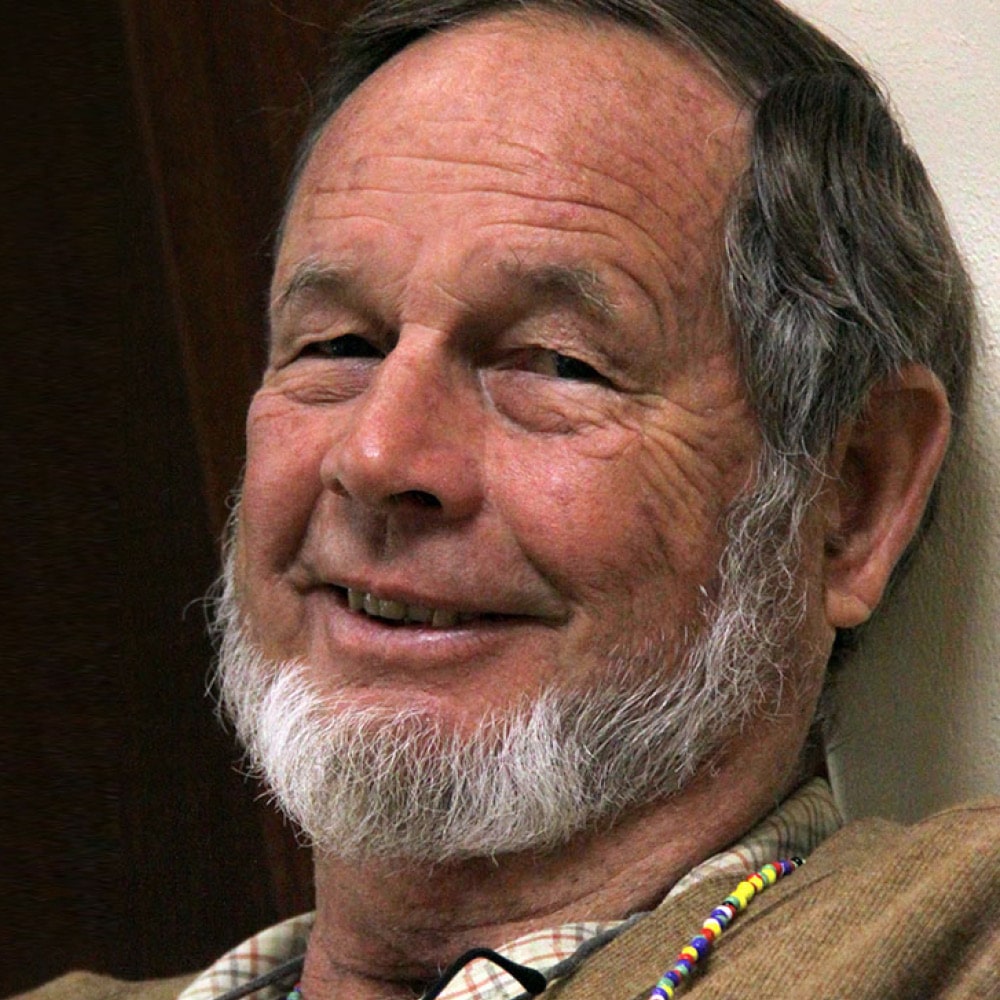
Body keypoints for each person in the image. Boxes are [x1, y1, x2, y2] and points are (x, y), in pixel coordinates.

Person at [27, 1, 999, 998]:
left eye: (551, 363)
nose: (374, 454)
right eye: (336, 346)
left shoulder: (949, 945)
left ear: (850, 498)